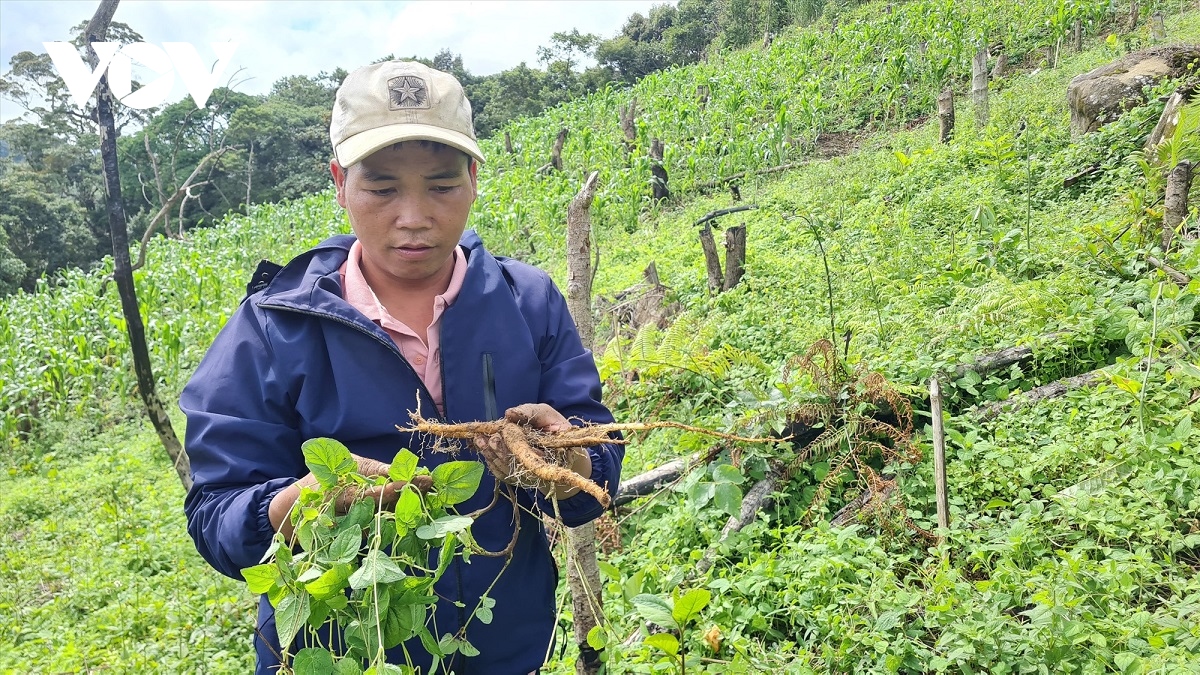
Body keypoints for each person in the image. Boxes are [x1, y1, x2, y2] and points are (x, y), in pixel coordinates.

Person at [180, 60, 623, 674]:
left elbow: (597, 465)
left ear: (473, 178)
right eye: (382, 188)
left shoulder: (527, 301)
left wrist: (567, 463)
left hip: (507, 645)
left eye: (441, 185)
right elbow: (215, 518)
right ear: (339, 183)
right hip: (341, 653)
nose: (413, 216)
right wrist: (300, 505)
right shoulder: (272, 328)